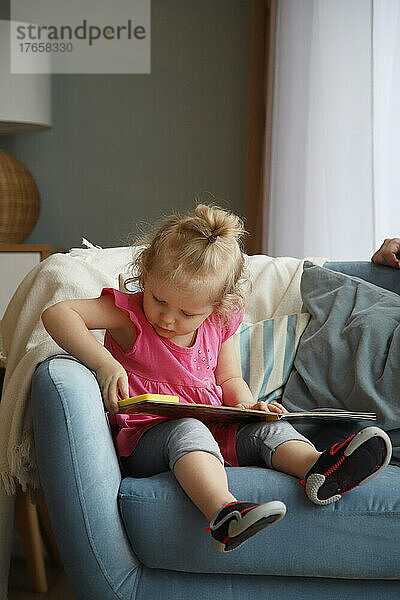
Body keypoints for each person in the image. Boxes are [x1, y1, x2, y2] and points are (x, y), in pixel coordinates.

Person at [42, 204, 391, 553]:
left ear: (217, 306)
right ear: (145, 275)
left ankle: (319, 468)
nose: (167, 317)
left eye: (187, 312)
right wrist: (104, 364)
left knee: (270, 426)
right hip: (147, 437)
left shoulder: (217, 324)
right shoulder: (128, 315)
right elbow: (58, 313)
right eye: (159, 299)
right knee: (188, 428)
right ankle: (225, 514)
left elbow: (229, 378)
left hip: (216, 427)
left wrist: (246, 405)